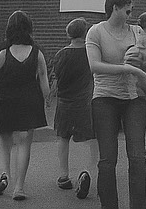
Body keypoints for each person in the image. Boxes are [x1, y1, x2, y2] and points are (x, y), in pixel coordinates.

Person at [86, 0, 146, 209]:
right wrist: (125, 68)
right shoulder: (96, 32)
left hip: (135, 98)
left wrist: (143, 56)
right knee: (107, 159)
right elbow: (94, 66)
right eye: (127, 10)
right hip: (105, 98)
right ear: (114, 8)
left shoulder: (136, 31)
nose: (131, 15)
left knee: (137, 155)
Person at [0, 10, 52, 201]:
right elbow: (44, 79)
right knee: (24, 144)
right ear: (29, 29)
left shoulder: (4, 53)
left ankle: (4, 175)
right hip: (30, 101)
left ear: (9, 30)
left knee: (4, 142)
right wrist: (48, 98)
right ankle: (19, 187)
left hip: (6, 101)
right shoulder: (37, 53)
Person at [53, 17, 96, 200]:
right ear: (85, 33)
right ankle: (87, 172)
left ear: (68, 34)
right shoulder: (91, 53)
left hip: (64, 103)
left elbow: (55, 80)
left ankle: (64, 176)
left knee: (63, 138)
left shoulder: (60, 54)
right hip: (84, 103)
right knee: (94, 140)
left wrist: (50, 97)